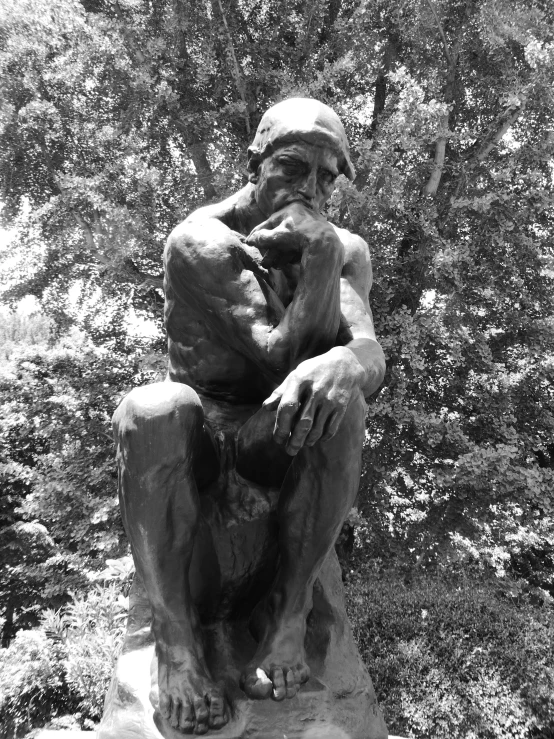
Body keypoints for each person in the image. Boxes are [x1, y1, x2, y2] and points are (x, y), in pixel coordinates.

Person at [112, 98, 386, 735]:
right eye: (293, 169)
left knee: (338, 404)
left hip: (271, 436)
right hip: (205, 433)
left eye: (327, 177)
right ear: (254, 163)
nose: (311, 190)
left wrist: (352, 362)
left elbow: (364, 351)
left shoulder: (345, 249)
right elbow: (279, 355)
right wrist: (316, 255)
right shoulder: (201, 242)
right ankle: (176, 647)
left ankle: (289, 617)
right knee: (152, 408)